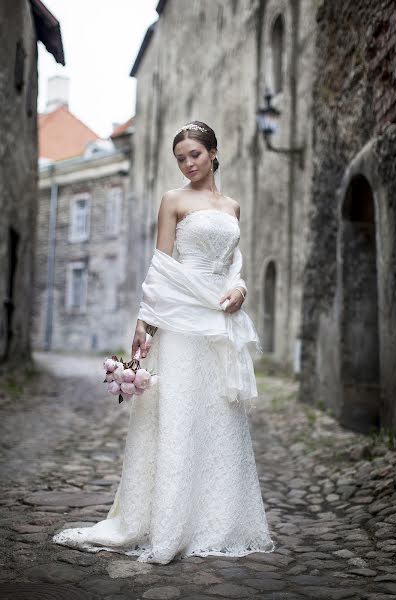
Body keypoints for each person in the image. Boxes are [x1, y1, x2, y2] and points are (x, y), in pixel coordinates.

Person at [52, 120, 275, 564]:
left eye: (194, 154)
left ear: (213, 152)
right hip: (180, 321)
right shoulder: (173, 200)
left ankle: (216, 520)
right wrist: (144, 323)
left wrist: (241, 290)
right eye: (180, 158)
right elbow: (162, 268)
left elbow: (234, 266)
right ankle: (167, 522)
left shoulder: (231, 206)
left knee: (217, 416)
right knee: (177, 414)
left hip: (217, 320)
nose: (188, 164)